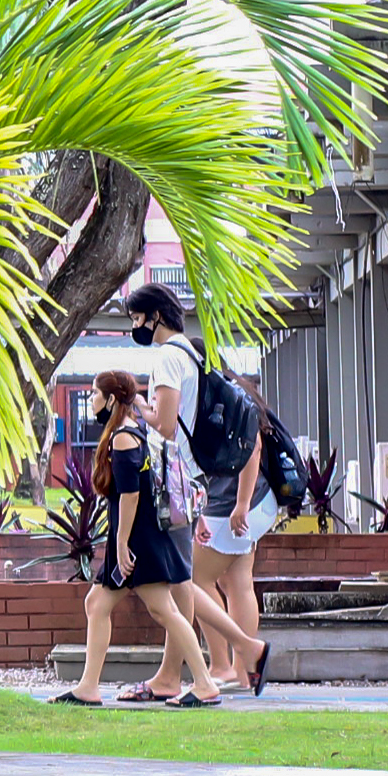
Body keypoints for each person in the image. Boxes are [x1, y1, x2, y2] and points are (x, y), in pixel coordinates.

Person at [120, 280, 274, 698]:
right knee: (182, 582)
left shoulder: (169, 358)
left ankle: (242, 652)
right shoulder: (190, 352)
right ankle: (185, 672)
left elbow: (166, 425)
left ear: (155, 317)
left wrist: (135, 404)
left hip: (174, 482)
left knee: (179, 583)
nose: (136, 328)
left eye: (137, 319)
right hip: (193, 484)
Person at [57, 366, 225, 707]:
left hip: (138, 541)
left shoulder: (123, 436)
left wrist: (120, 545)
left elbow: (130, 496)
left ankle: (205, 683)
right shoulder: (131, 430)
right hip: (137, 537)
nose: (91, 399)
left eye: (94, 393)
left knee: (164, 610)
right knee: (97, 603)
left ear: (111, 398)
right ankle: (88, 687)